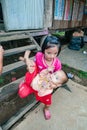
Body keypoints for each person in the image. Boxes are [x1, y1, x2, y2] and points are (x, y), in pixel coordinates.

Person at [18, 35, 68, 120]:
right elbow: (34, 66)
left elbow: (59, 77)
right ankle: (26, 82)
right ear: (43, 50)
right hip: (36, 79)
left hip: (46, 85)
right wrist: (29, 65)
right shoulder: (38, 56)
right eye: (49, 53)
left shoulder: (57, 64)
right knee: (22, 93)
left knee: (48, 102)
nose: (52, 56)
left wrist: (55, 85)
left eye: (55, 53)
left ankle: (46, 108)